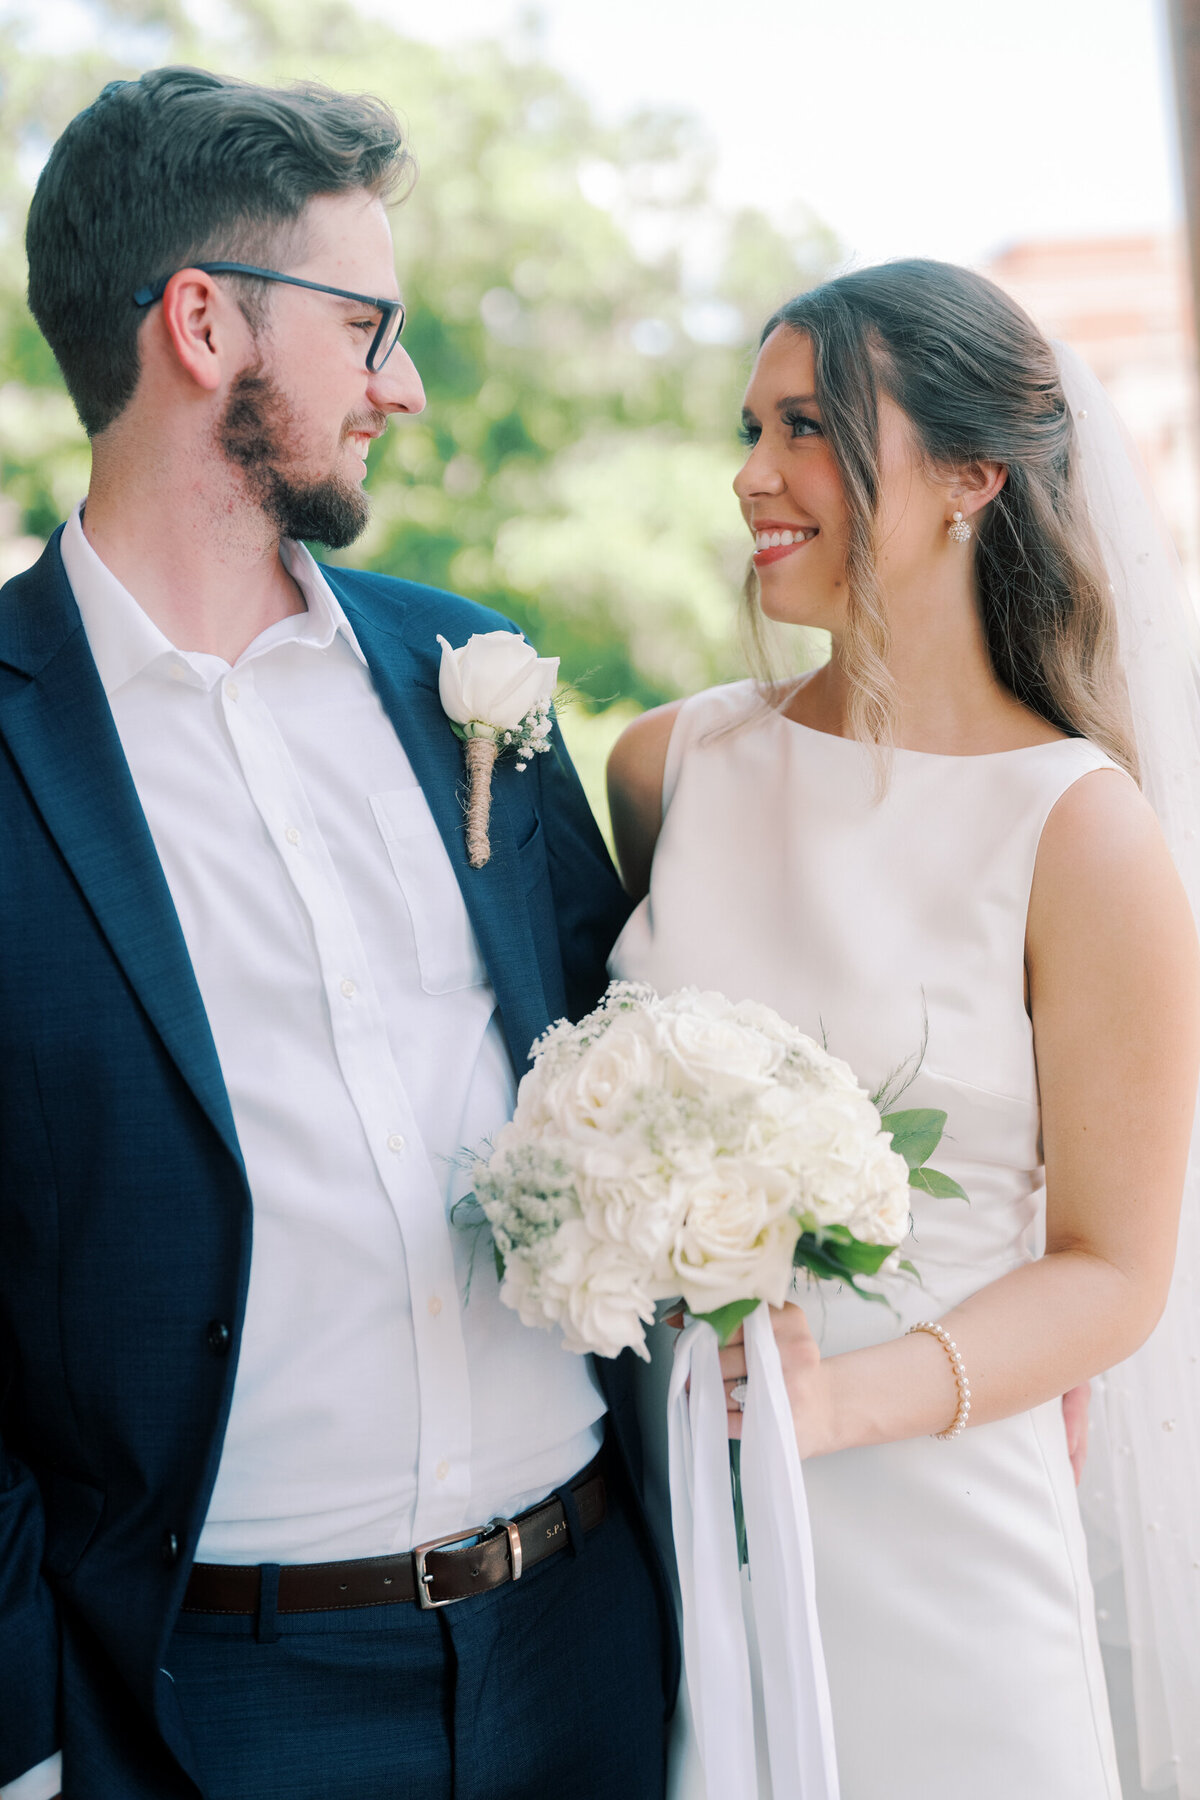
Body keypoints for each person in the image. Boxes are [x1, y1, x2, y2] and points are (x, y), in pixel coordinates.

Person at [0, 66, 674, 1800]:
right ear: (205, 321)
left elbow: (629, 1060)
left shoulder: (468, 671)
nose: (407, 385)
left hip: (592, 1634)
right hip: (208, 1706)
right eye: (367, 323)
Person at [607, 260, 1200, 1799]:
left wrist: (837, 1406)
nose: (752, 476)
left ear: (970, 477)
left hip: (944, 1535)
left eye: (809, 428)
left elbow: (1116, 1271)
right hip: (686, 1538)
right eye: (752, 427)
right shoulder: (670, 770)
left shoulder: (1083, 834)